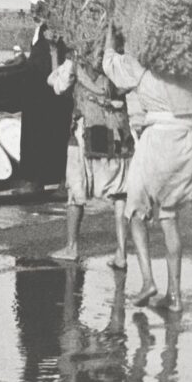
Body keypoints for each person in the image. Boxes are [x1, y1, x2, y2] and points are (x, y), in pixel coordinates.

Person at [102, 22, 192, 311]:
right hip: (190, 141)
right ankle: (174, 295)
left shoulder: (143, 63)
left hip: (160, 140)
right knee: (169, 216)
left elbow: (110, 65)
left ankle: (148, 281)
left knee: (136, 212)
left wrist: (110, 35)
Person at [46, 47, 134, 267]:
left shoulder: (75, 62)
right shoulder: (121, 62)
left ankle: (72, 246)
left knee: (76, 191)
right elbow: (130, 83)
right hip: (118, 131)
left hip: (86, 131)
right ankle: (121, 253)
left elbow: (57, 85)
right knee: (120, 194)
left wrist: (54, 53)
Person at [18, 0, 74, 192]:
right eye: (32, 9)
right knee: (35, 135)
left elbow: (59, 64)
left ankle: (55, 181)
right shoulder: (41, 31)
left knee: (54, 134)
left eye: (38, 9)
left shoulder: (55, 33)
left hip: (50, 93)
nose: (34, 12)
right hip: (35, 92)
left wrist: (53, 50)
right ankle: (36, 179)